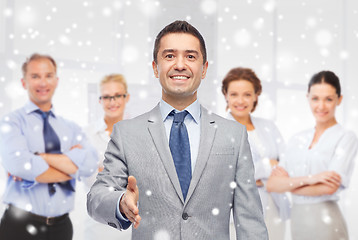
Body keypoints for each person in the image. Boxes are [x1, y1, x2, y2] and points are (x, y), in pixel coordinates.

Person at [87, 20, 268, 239]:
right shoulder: (126, 133)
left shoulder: (234, 135)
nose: (180, 65)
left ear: (204, 69)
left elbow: (250, 221)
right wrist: (120, 203)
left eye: (190, 56)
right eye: (169, 56)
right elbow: (96, 197)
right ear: (155, 67)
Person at [0, 53, 98, 240]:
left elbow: (90, 164)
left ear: (56, 80)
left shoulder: (71, 128)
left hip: (61, 228)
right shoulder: (11, 122)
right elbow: (21, 166)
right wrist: (72, 166)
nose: (42, 83)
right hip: (19, 227)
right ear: (23, 82)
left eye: (48, 75)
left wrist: (40, 157)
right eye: (35, 76)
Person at [267, 70, 358, 240]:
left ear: (339, 100)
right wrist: (311, 179)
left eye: (328, 99)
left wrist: (288, 184)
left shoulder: (346, 137)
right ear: (308, 97)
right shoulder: (297, 139)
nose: (321, 106)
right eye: (315, 98)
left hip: (327, 222)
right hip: (298, 222)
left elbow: (329, 187)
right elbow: (272, 184)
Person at [221, 67, 290, 240]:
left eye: (247, 94)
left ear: (256, 96)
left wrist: (255, 176)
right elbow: (225, 175)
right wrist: (268, 166)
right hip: (240, 210)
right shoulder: (219, 130)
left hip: (275, 207)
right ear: (226, 95)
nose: (240, 101)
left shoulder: (269, 126)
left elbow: (287, 161)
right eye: (234, 94)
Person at [83, 74, 131, 240]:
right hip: (96, 228)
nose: (113, 102)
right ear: (100, 100)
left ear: (127, 97)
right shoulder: (87, 135)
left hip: (132, 229)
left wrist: (104, 171)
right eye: (107, 97)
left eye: (118, 95)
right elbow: (89, 179)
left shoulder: (139, 132)